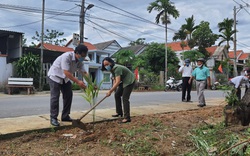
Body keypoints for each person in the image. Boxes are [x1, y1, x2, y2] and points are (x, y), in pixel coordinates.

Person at [47, 44, 88, 126]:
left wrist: (91, 83)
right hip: (55, 76)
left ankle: (65, 116)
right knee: (55, 97)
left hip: (65, 79)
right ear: (76, 53)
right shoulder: (67, 56)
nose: (83, 58)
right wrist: (78, 82)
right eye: (82, 56)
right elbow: (66, 72)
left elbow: (84, 72)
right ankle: (53, 118)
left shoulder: (80, 62)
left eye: (84, 56)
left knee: (68, 95)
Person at [101, 57, 135, 123]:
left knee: (125, 98)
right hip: (124, 81)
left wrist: (110, 91)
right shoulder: (112, 70)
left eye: (107, 64)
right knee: (117, 94)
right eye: (104, 65)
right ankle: (119, 112)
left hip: (129, 80)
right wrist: (113, 90)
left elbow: (118, 81)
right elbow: (115, 80)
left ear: (111, 63)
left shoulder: (117, 68)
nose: (106, 66)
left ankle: (127, 118)